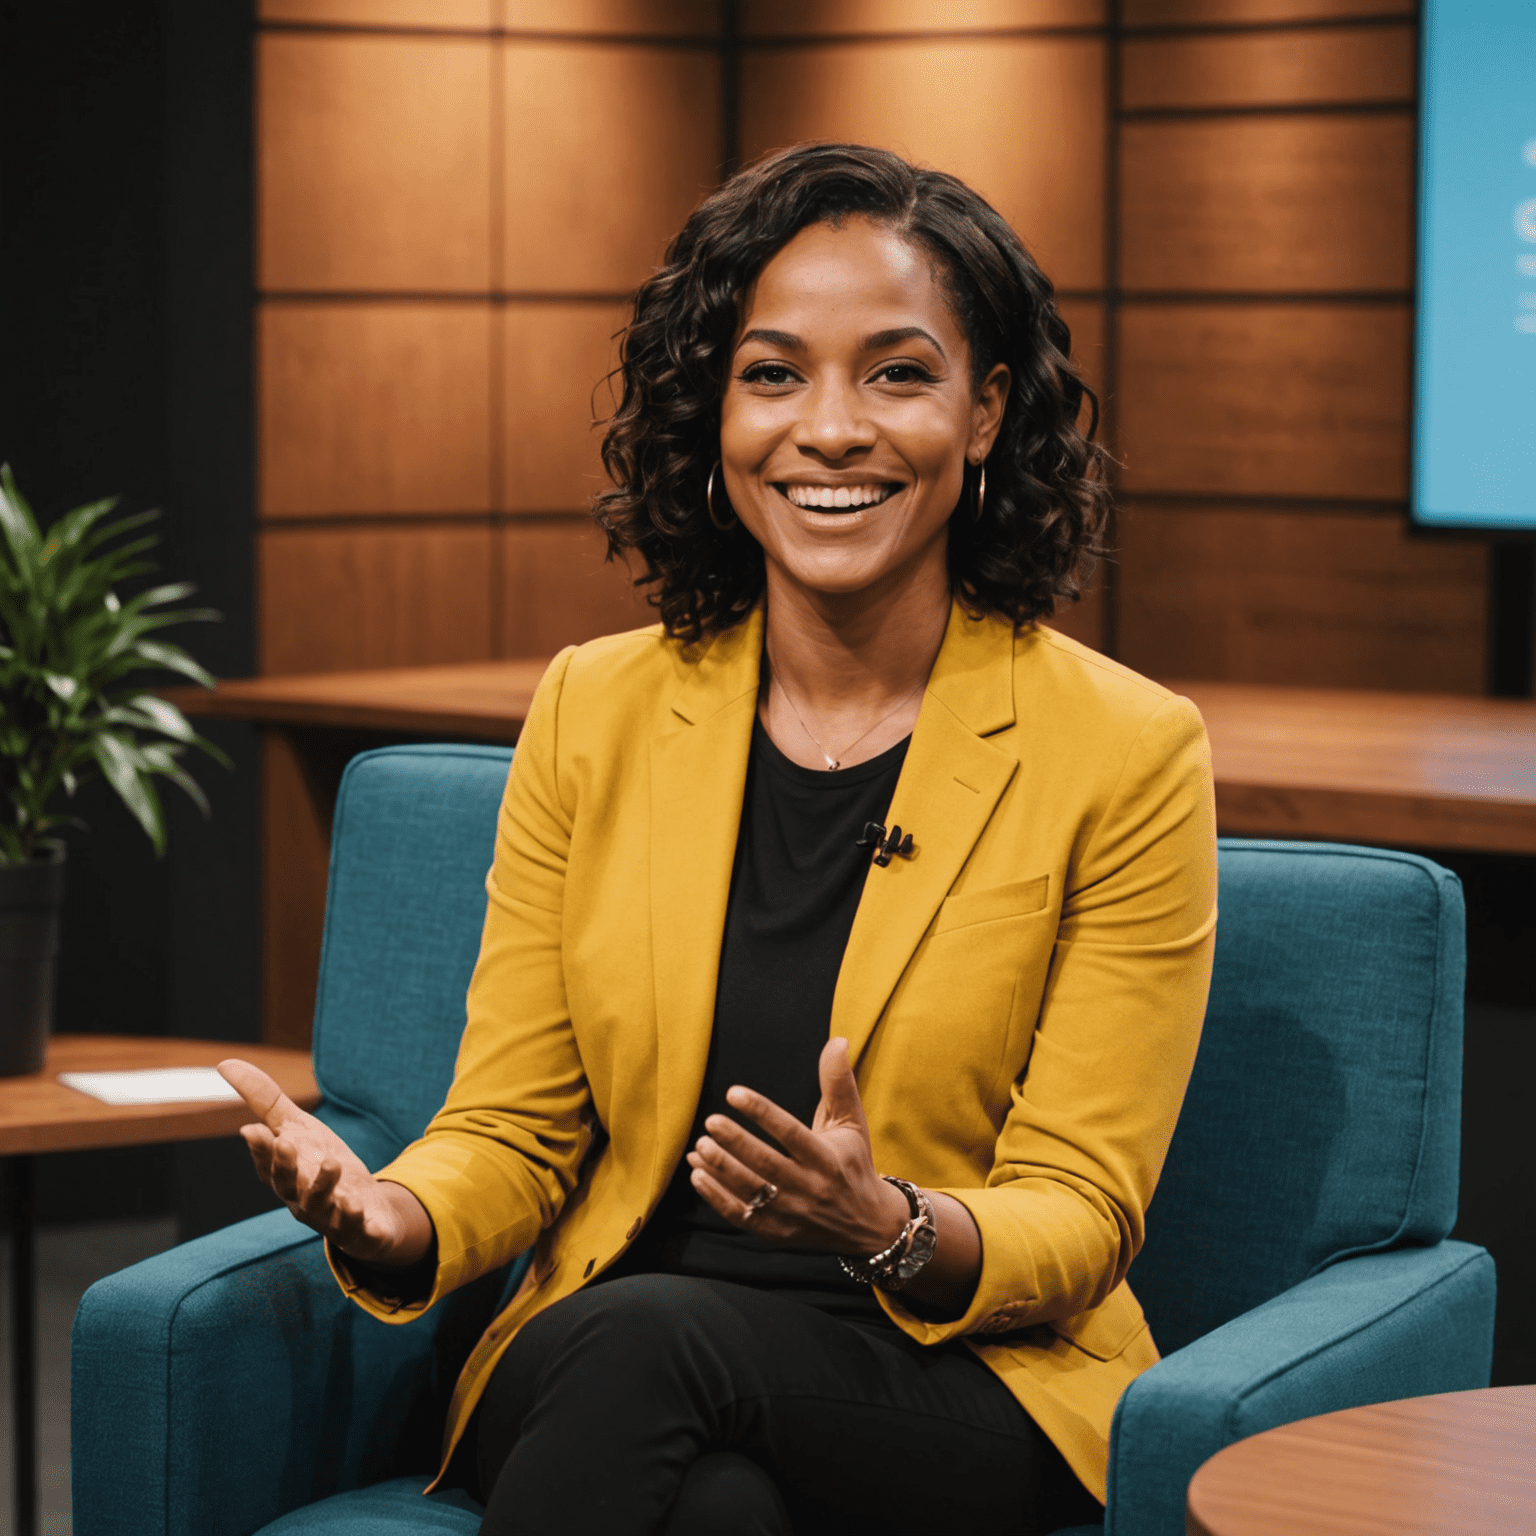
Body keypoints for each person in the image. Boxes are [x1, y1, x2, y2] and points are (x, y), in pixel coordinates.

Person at [221, 142, 1217, 1535]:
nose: (828, 428)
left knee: (660, 1367)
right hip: (608, 1347)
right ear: (718, 412)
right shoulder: (596, 707)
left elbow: (1083, 1204)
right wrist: (394, 1214)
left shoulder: (1124, 749)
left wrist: (892, 1224)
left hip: (951, 1369)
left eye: (897, 372)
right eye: (774, 373)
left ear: (985, 412)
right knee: (704, 1480)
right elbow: (517, 1121)